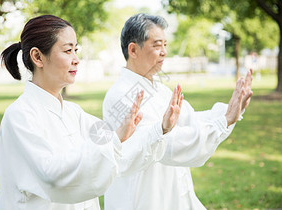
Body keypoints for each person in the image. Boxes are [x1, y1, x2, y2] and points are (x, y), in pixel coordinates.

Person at [103, 13, 253, 210]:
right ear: (133, 49)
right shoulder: (120, 96)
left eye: (165, 45)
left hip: (174, 196)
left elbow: (191, 121)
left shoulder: (159, 89)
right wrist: (223, 121)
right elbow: (168, 146)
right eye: (157, 45)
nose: (164, 52)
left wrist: (228, 112)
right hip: (142, 201)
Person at [0, 15, 149, 210]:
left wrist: (160, 129)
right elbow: (52, 176)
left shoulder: (74, 113)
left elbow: (117, 149)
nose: (76, 60)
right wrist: (115, 139)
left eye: (75, 50)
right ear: (38, 57)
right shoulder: (19, 116)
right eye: (68, 50)